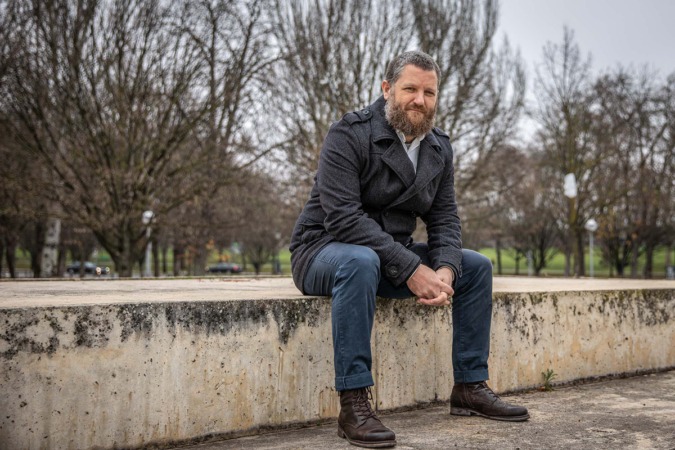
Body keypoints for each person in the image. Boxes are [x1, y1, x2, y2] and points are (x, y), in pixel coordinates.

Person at [289, 51, 529, 449]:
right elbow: (344, 219)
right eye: (410, 89)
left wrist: (446, 269)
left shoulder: (438, 149)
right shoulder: (348, 134)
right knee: (361, 260)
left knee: (477, 266)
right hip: (323, 251)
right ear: (387, 89)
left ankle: (469, 386)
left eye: (429, 92)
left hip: (387, 258)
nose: (420, 100)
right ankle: (353, 404)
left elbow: (446, 220)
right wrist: (413, 269)